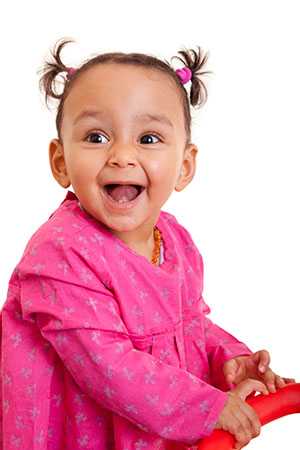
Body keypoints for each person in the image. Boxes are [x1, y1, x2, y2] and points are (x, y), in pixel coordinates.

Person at [0, 37, 296, 450]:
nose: (122, 154)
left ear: (185, 166)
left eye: (150, 139)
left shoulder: (175, 239)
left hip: (158, 432)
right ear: (61, 162)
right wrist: (210, 408)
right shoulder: (60, 253)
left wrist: (227, 357)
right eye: (97, 137)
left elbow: (186, 324)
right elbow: (109, 368)